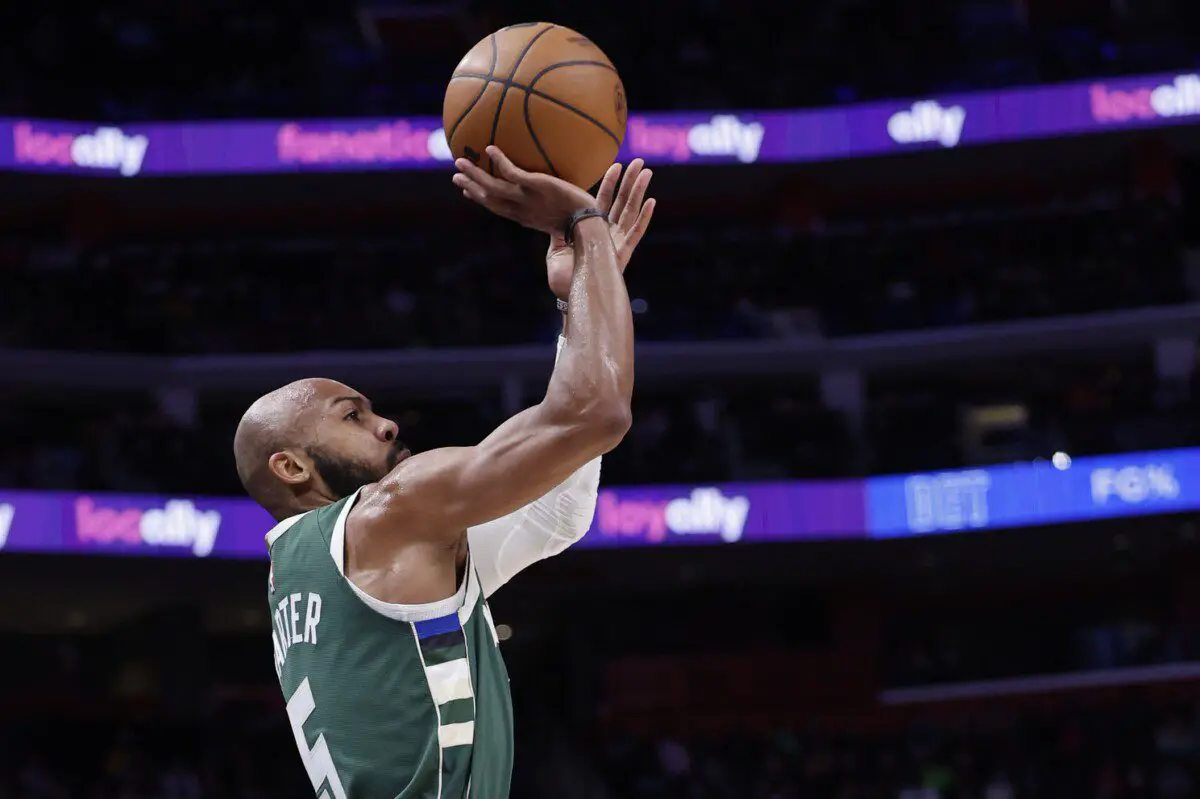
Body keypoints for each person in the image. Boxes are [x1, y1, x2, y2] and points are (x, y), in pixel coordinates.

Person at [232, 147, 655, 799]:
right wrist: (586, 224)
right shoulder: (384, 515)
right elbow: (596, 412)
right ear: (291, 465)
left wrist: (580, 304)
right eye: (353, 416)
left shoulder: (311, 568)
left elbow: (550, 512)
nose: (388, 424)